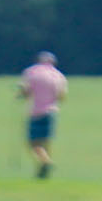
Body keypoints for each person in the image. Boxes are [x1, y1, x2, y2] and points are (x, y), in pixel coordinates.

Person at [19, 51, 67, 179]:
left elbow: (26, 91)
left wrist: (20, 94)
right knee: (46, 142)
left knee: (33, 143)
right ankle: (43, 171)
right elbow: (61, 96)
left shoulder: (31, 72)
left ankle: (46, 162)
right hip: (51, 112)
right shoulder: (58, 75)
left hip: (35, 111)